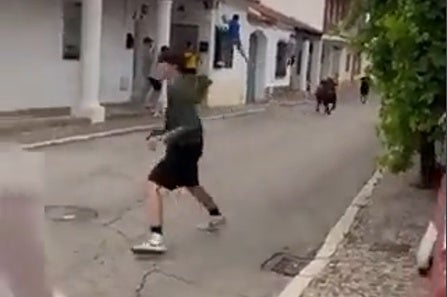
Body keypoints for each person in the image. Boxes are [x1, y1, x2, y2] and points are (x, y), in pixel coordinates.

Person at [131, 53, 226, 254]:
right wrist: (157, 134)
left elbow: (189, 124)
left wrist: (165, 138)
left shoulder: (178, 87)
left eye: (161, 64)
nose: (158, 68)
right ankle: (215, 215)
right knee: (190, 183)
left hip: (184, 145)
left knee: (153, 185)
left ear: (172, 66)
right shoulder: (175, 85)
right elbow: (175, 122)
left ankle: (156, 238)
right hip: (191, 144)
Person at [145, 45, 170, 117]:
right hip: (157, 78)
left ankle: (150, 105)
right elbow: (162, 70)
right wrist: (163, 78)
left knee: (153, 91)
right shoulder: (163, 59)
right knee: (157, 95)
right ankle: (155, 110)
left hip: (153, 76)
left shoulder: (158, 57)